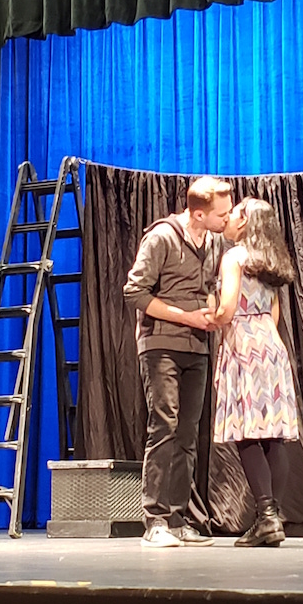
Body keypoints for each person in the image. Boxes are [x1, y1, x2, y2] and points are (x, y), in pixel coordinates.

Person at [123, 176, 233, 547]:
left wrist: (215, 311)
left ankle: (177, 517)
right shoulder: (161, 238)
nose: (227, 218)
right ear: (198, 214)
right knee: (164, 426)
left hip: (197, 348)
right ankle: (154, 521)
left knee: (187, 434)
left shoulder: (215, 241)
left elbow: (211, 289)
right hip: (161, 346)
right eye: (222, 213)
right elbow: (135, 292)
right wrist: (185, 317)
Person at [211, 197, 298, 547]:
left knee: (247, 433)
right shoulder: (270, 260)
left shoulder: (234, 257)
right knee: (273, 436)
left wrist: (213, 317)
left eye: (233, 214)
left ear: (244, 222)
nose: (228, 219)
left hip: (244, 344)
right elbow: (274, 313)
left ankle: (265, 518)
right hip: (271, 344)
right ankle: (272, 518)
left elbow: (228, 307)